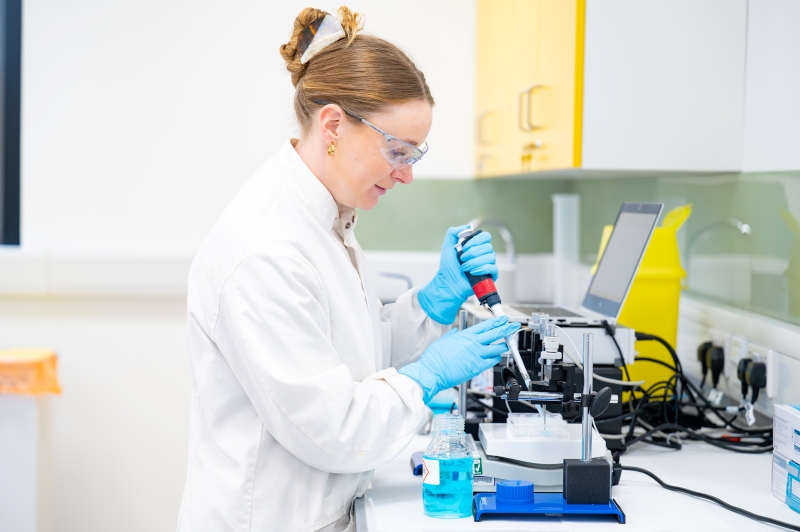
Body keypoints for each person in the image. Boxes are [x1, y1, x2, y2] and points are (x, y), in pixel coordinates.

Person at [176, 6, 519, 532]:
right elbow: (333, 427)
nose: (406, 176)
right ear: (333, 124)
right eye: (398, 150)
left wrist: (432, 304)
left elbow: (350, 358)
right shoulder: (266, 249)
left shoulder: (327, 219)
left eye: (416, 155)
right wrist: (427, 376)